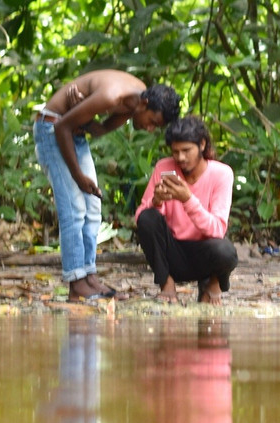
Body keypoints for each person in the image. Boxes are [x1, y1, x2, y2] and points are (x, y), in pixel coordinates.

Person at [34, 70, 180, 301]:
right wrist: (78, 175)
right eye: (152, 122)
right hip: (52, 128)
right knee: (74, 209)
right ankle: (75, 283)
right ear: (144, 104)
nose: (150, 129)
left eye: (156, 127)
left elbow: (99, 129)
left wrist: (84, 116)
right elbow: (62, 127)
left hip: (74, 133)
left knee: (92, 207)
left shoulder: (135, 99)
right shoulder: (112, 97)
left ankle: (89, 276)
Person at [134, 116, 238, 304]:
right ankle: (166, 283)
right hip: (172, 253)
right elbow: (141, 218)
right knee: (147, 217)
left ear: (202, 144)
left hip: (205, 253)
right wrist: (156, 201)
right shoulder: (163, 167)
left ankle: (213, 283)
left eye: (186, 150)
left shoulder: (222, 173)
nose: (180, 158)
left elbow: (218, 229)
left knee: (226, 251)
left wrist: (187, 199)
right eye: (175, 152)